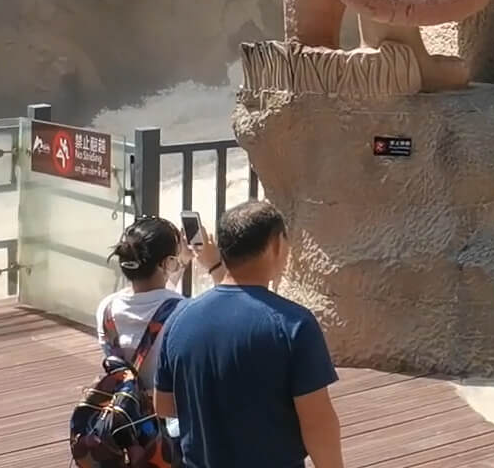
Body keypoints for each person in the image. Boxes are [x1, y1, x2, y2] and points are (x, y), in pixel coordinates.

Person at [153, 200, 342, 468]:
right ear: (276, 245)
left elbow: (164, 406)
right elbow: (317, 421)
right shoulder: (293, 324)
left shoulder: (180, 319)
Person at [97, 216, 223, 413]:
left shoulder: (107, 308)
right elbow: (227, 311)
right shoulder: (185, 312)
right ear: (166, 263)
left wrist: (177, 263)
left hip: (126, 416)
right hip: (167, 421)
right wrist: (215, 265)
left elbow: (154, 304)